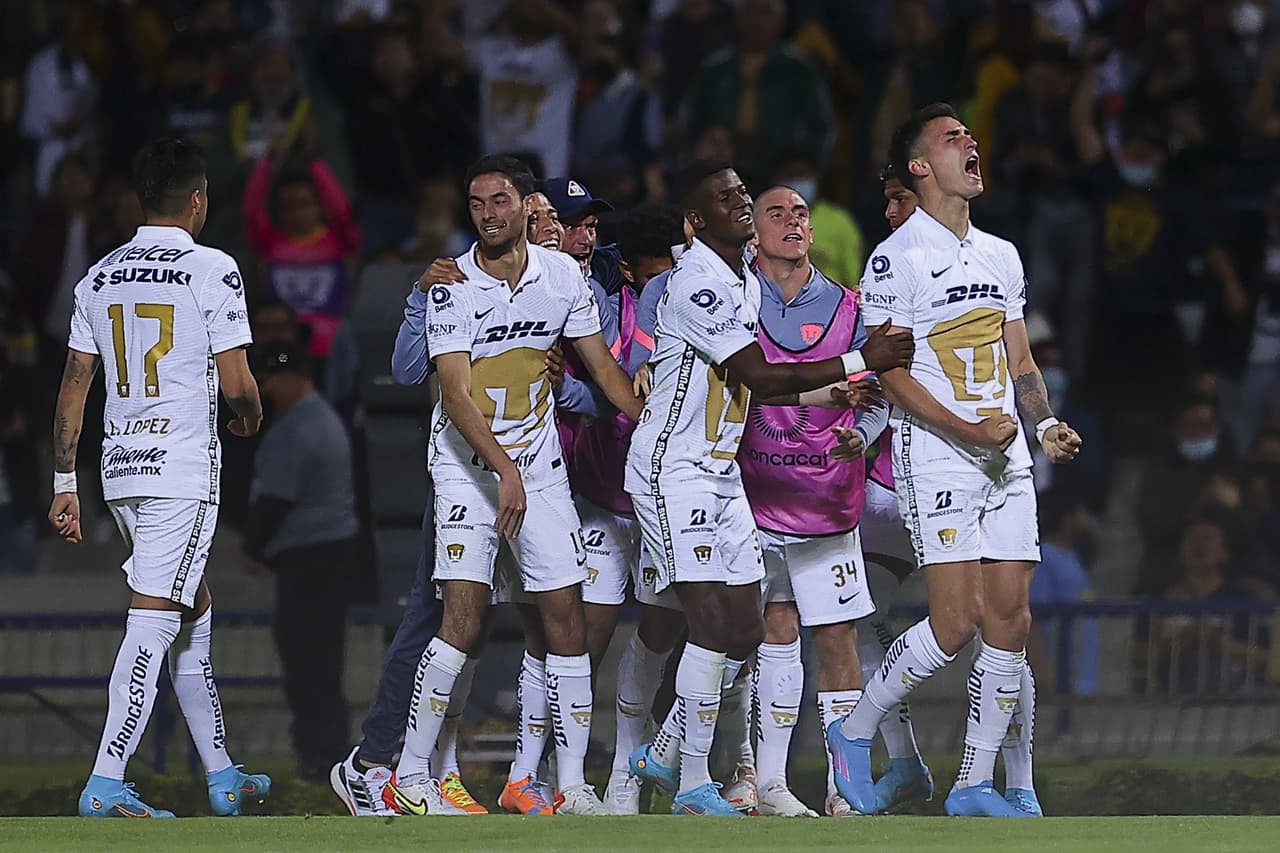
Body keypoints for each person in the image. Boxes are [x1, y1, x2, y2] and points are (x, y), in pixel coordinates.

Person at [625, 159, 913, 817]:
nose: (743, 200)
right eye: (726, 197)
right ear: (696, 223)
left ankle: (668, 749)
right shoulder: (696, 284)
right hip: (676, 472)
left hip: (724, 475)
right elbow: (760, 372)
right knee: (706, 622)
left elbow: (767, 383)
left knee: (748, 627)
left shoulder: (744, 286)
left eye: (742, 191)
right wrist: (864, 359)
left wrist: (840, 397)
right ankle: (693, 782)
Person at [827, 103, 1081, 818]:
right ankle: (854, 729)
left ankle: (973, 783)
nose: (971, 142)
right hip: (939, 454)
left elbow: (1020, 359)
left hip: (1003, 453)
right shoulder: (895, 257)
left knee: (1012, 619)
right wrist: (969, 429)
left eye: (971, 134)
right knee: (955, 621)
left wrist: (1046, 423)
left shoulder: (1001, 253)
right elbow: (892, 375)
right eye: (952, 137)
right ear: (920, 165)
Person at [383, 155, 643, 817]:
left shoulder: (560, 276)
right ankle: (409, 775)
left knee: (567, 621)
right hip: (468, 468)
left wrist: (648, 417)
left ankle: (574, 783)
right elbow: (455, 396)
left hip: (537, 465)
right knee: (464, 620)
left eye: (499, 201)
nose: (487, 215)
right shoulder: (452, 284)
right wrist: (503, 471)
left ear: (527, 207)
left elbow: (603, 370)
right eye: (476, 204)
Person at [49, 137, 269, 818]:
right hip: (181, 469)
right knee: (152, 622)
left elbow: (73, 389)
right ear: (198, 199)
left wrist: (64, 484)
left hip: (120, 472)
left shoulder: (100, 275)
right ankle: (106, 779)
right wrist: (252, 416)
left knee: (191, 609)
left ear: (141, 199)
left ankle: (222, 772)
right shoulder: (212, 268)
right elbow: (237, 383)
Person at [736, 184, 885, 818]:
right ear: (754, 233)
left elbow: (879, 391)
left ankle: (841, 787)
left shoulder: (850, 307)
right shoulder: (735, 300)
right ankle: (769, 781)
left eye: (801, 214)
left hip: (829, 501)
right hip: (752, 496)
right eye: (778, 214)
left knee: (837, 639)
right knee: (774, 630)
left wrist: (864, 433)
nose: (794, 222)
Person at [240, 341, 358, 782]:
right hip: (326, 554)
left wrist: (252, 547)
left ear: (294, 377)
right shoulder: (321, 418)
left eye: (272, 380)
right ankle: (328, 756)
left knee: (308, 660)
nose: (267, 389)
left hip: (311, 558)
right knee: (321, 660)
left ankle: (319, 758)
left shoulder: (299, 426)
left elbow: (276, 498)